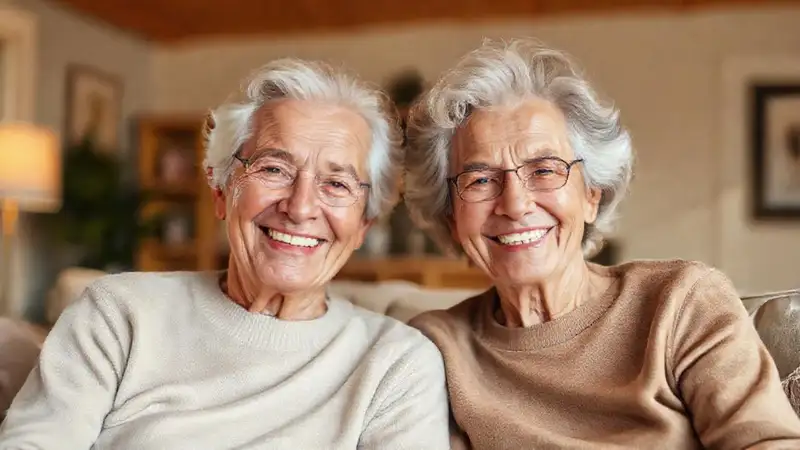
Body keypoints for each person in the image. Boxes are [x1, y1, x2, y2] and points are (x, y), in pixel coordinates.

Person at [0, 59, 450, 449]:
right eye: (274, 169)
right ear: (221, 191)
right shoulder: (118, 314)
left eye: (336, 184)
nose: (300, 207)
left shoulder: (396, 364)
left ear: (362, 225)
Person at [403, 38, 800, 449]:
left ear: (592, 194)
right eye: (481, 180)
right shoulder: (434, 349)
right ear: (451, 216)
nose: (516, 204)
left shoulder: (681, 304)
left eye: (543, 170)